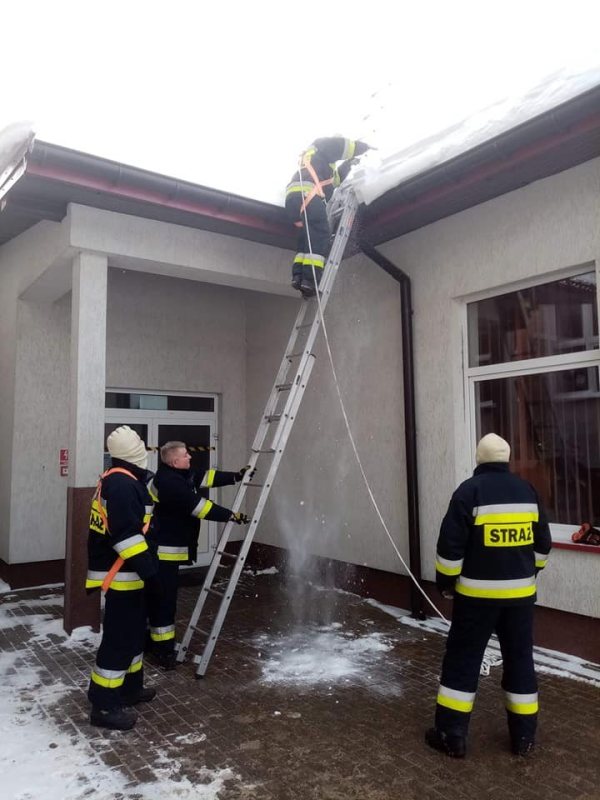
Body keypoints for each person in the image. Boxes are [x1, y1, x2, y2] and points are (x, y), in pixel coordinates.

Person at [425, 433, 552, 759]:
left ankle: (451, 735)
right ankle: (523, 738)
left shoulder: (469, 492)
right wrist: (529, 573)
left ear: (479, 459)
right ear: (506, 459)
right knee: (520, 660)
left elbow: (449, 548)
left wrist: (446, 584)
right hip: (520, 600)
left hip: (475, 600)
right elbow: (542, 546)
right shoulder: (527, 491)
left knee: (463, 660)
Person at [145, 441, 252, 670]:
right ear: (175, 462)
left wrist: (235, 477)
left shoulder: (176, 474)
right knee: (164, 602)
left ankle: (154, 642)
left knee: (162, 600)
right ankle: (162, 651)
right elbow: (199, 507)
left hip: (168, 548)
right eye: (186, 455)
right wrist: (231, 515)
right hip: (164, 553)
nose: (190, 457)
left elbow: (204, 477)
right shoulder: (169, 483)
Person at [86, 425, 160, 731]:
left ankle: (130, 688)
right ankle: (103, 705)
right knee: (119, 640)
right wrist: (151, 572)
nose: (144, 447)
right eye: (139, 443)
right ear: (132, 451)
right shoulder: (121, 485)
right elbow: (126, 537)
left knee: (132, 635)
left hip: (127, 575)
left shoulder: (122, 479)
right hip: (122, 576)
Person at [284, 136, 370, 298]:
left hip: (294, 199)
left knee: (306, 237)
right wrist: (362, 147)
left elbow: (334, 181)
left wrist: (348, 164)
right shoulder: (322, 145)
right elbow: (342, 145)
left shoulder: (319, 162)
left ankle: (298, 277)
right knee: (320, 233)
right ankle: (310, 279)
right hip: (308, 195)